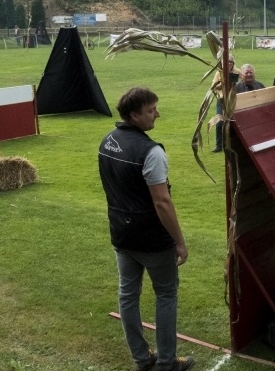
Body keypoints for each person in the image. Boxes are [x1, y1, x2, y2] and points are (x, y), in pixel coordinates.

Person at [98, 87, 195, 371]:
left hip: (121, 233)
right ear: (134, 115)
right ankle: (166, 362)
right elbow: (162, 202)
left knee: (127, 295)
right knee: (166, 294)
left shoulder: (107, 141)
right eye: (151, 110)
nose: (157, 114)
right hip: (151, 239)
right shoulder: (151, 152)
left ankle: (141, 359)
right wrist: (179, 242)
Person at [212, 57, 240, 152]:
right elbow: (214, 87)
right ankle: (218, 145)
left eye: (231, 62)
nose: (229, 64)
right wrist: (223, 83)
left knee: (233, 122)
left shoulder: (237, 71)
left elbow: (243, 80)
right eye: (227, 62)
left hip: (233, 100)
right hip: (222, 99)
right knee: (220, 121)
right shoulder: (219, 73)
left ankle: (232, 144)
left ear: (233, 63)